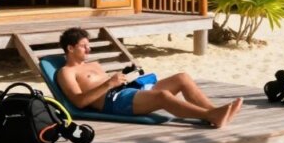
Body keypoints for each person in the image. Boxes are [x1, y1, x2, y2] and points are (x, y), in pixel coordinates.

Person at [55, 28, 242, 128]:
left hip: (128, 91)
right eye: (83, 46)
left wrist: (121, 80)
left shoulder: (93, 65)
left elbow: (110, 84)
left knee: (182, 78)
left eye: (89, 45)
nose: (89, 49)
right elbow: (79, 102)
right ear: (70, 49)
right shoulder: (66, 72)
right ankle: (209, 116)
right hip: (115, 102)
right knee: (163, 96)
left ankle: (214, 113)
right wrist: (109, 84)